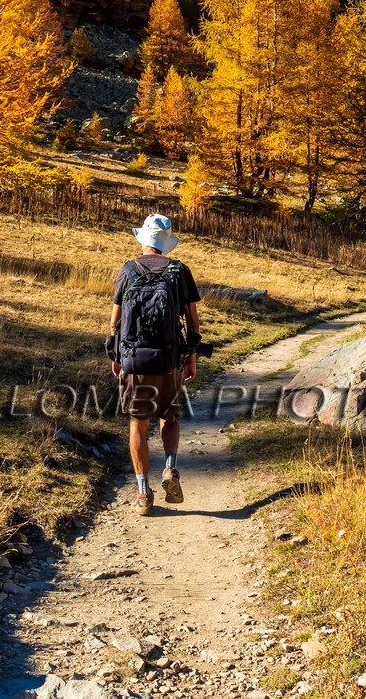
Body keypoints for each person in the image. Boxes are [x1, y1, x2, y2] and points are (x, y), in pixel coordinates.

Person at [106, 213, 204, 516]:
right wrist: (191, 358)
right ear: (165, 242)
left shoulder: (128, 270)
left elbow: (115, 322)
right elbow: (192, 320)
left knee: (138, 423)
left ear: (143, 239)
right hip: (170, 358)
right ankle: (171, 468)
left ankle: (143, 493)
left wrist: (116, 356)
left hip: (135, 359)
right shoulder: (179, 270)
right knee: (169, 418)